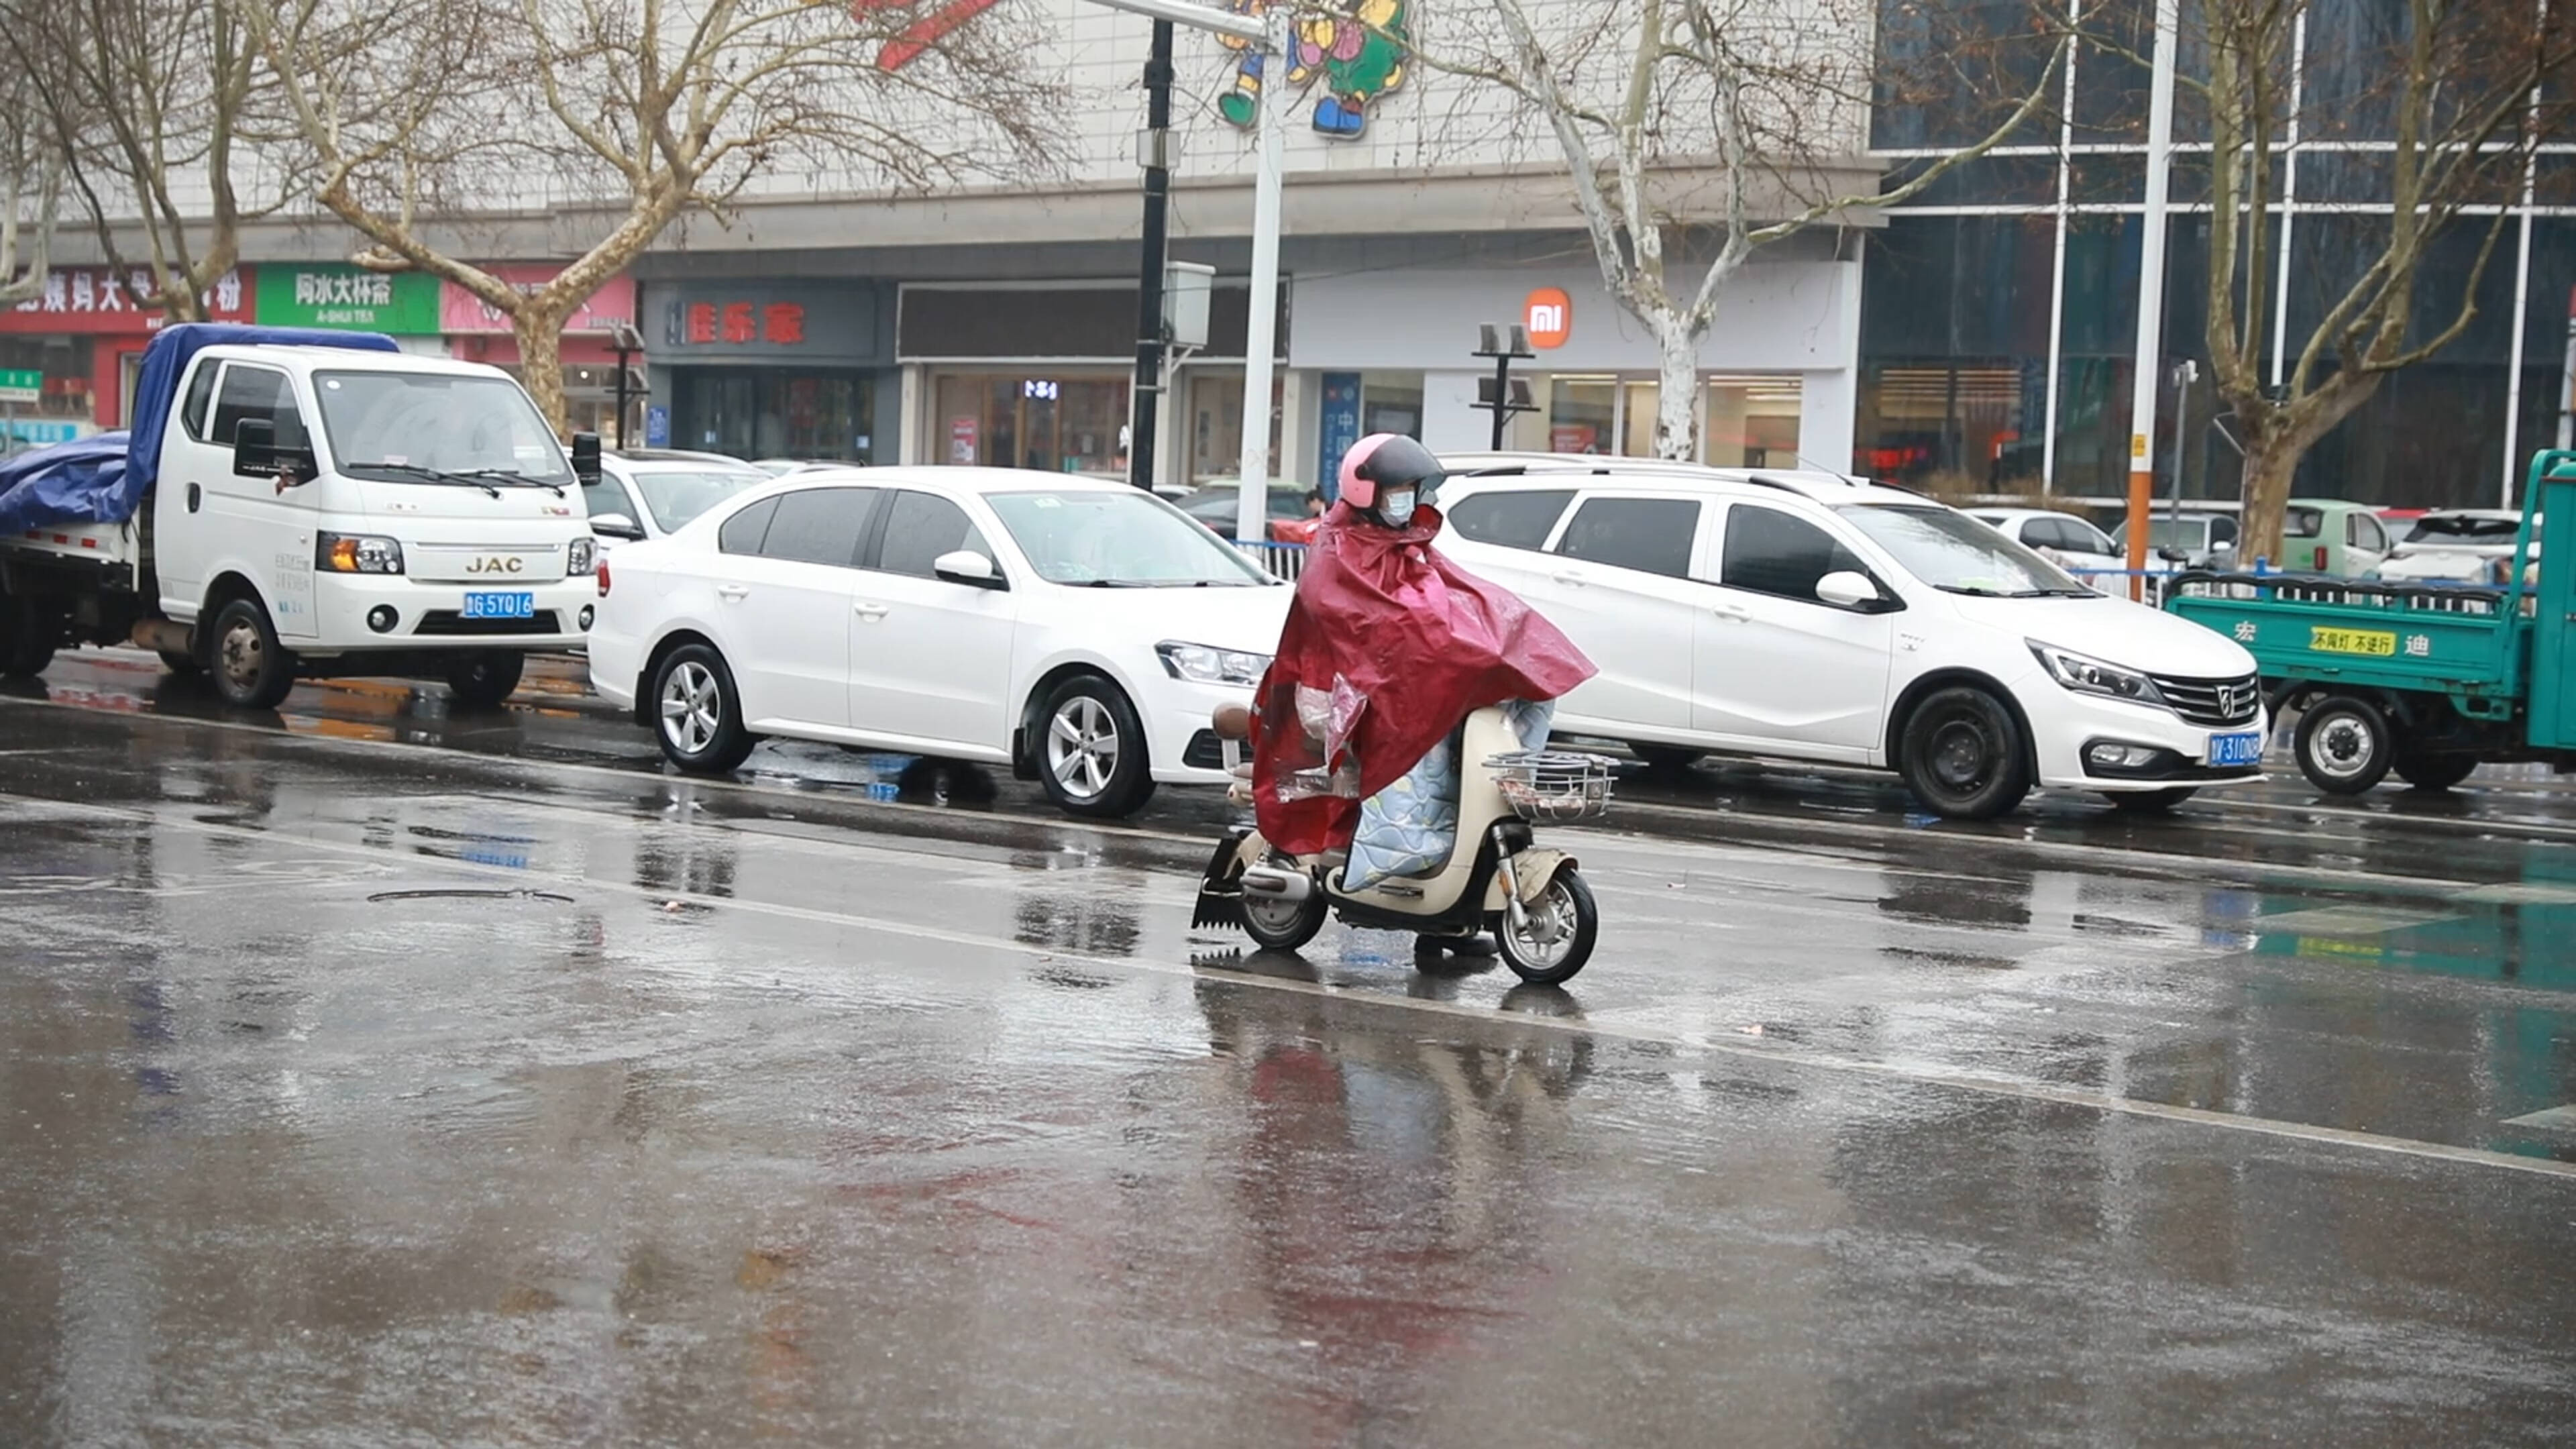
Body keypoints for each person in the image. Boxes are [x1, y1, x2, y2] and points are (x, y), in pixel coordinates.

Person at [1247, 434, 1595, 949]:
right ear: (1367, 490)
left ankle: (1453, 895)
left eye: (1412, 487)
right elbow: (1366, 624)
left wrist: (1499, 638)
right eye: (1398, 487)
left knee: (1519, 696)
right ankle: (1396, 858)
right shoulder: (1336, 550)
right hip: (1350, 694)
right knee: (1423, 744)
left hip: (1404, 683)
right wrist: (1445, 648)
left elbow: (1452, 600)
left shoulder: (1409, 543)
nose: (1406, 497)